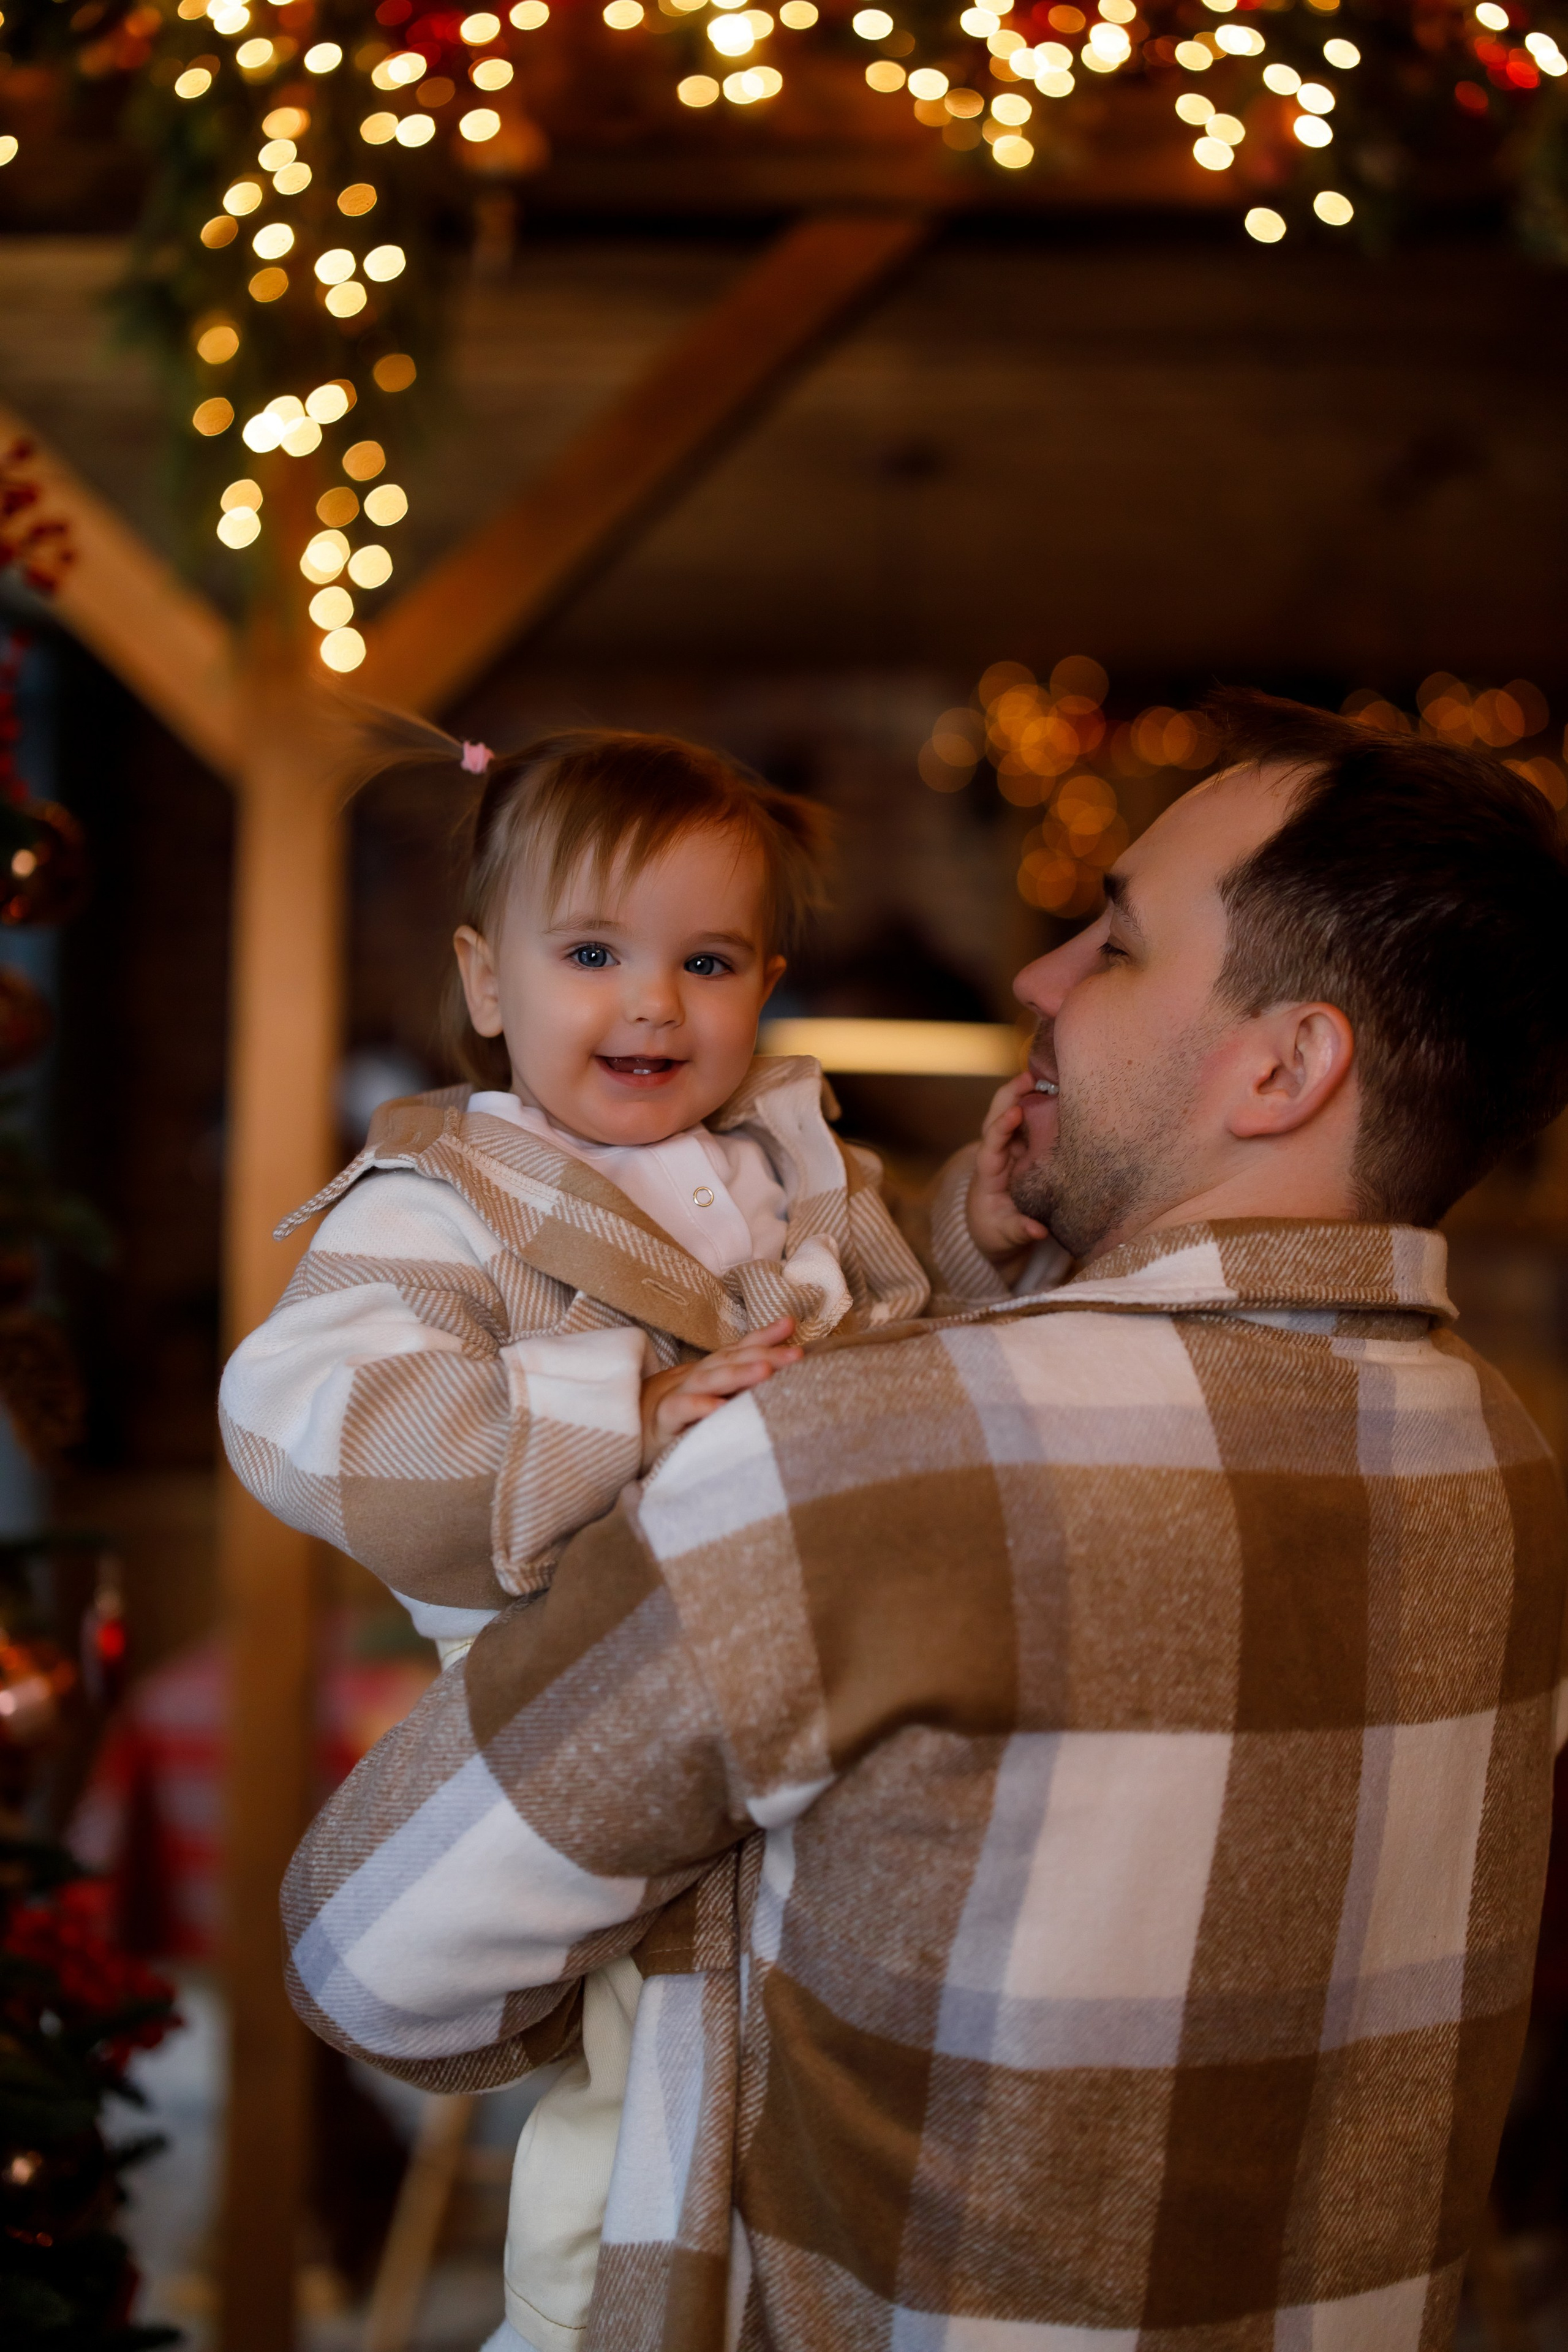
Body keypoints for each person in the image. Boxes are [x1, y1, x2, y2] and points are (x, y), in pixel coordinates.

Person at [281, 689, 1568, 2351]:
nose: (1035, 980)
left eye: (1110, 943)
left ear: (1284, 1064)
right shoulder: (1511, 1474)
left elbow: (373, 1956)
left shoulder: (859, 1466)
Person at [219, 720, 1035, 2352]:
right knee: (631, 2126)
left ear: (766, 983)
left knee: (832, 2112)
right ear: (487, 980)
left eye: (707, 959)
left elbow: (912, 1351)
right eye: (593, 952)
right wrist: (630, 1410)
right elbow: (299, 1411)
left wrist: (983, 1245)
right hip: (587, 1698)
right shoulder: (445, 1198)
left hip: (830, 1709)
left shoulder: (791, 1174)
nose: (653, 1002)